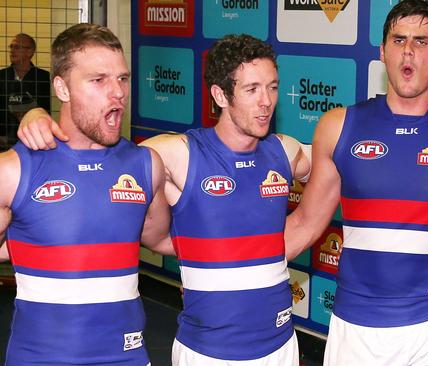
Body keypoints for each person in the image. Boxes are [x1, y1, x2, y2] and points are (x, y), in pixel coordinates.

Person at [18, 34, 312, 365]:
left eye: (273, 87)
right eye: (252, 89)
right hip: (205, 351)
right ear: (220, 94)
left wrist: (298, 229)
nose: (266, 101)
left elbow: (336, 161)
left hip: (282, 344)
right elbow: (98, 159)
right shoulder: (174, 154)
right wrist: (36, 115)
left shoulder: (285, 150)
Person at [283, 0, 428, 364]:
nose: (409, 52)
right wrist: (230, 268)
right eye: (399, 40)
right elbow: (305, 224)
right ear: (383, 51)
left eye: (422, 41)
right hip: (355, 325)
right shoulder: (338, 127)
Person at [0, 23, 173, 365]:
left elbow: (161, 239)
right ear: (61, 88)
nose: (118, 93)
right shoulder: (14, 170)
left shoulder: (146, 165)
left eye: (122, 79)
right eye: (99, 80)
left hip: (128, 357)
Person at [0, 33, 50, 150]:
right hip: (3, 140)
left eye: (17, 47)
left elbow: (46, 109)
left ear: (30, 52)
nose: (12, 50)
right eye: (11, 47)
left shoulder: (42, 77)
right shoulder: (1, 76)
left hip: (33, 139)